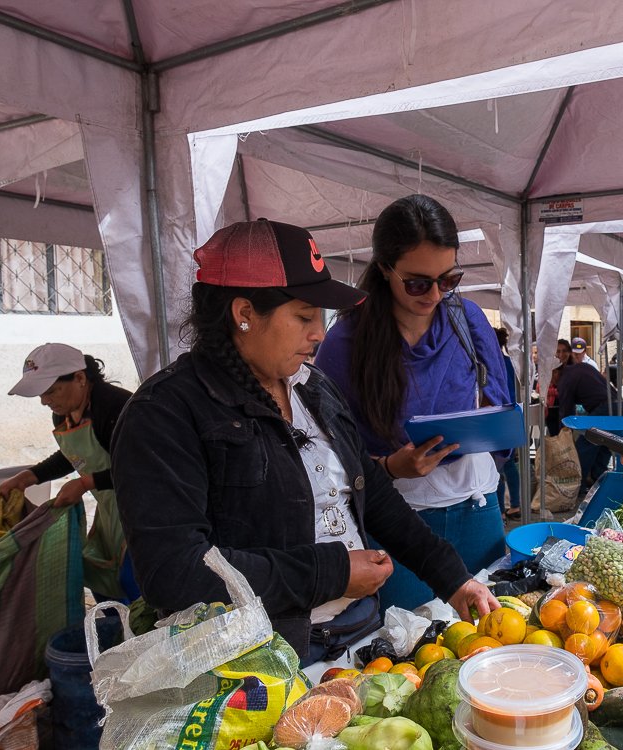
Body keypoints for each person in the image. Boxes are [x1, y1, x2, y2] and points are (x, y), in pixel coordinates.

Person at [110, 219, 496, 665]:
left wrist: (453, 579)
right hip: (264, 663)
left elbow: (376, 494)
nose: (318, 332)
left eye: (320, 317)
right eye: (303, 316)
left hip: (362, 636)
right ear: (244, 314)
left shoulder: (312, 387)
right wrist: (329, 573)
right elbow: (175, 572)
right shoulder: (165, 414)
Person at [315, 195, 511, 613]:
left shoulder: (468, 319)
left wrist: (491, 437)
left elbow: (499, 402)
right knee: (408, 644)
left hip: (477, 507)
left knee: (493, 636)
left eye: (449, 279)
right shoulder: (344, 343)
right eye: (419, 282)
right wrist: (389, 468)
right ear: (385, 269)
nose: (436, 294)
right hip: (398, 525)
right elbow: (324, 454)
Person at [0, 344, 138, 603]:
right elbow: (73, 455)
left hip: (142, 508)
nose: (45, 401)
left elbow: (140, 467)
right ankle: (114, 635)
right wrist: (27, 477)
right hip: (110, 512)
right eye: (42, 394)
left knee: (133, 580)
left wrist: (85, 484)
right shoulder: (64, 413)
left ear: (80, 378)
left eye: (52, 391)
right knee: (100, 578)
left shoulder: (115, 408)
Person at [556, 349, 622, 488]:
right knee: (603, 446)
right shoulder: (582, 367)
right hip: (619, 406)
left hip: (604, 409)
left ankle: (576, 486)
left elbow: (566, 410)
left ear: (555, 372)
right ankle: (599, 483)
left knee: (585, 446)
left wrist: (565, 434)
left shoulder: (564, 379)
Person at [495, 327, 522, 520]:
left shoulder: (492, 364)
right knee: (509, 464)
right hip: (511, 416)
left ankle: (501, 511)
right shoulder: (509, 363)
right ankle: (515, 505)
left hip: (496, 418)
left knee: (495, 465)